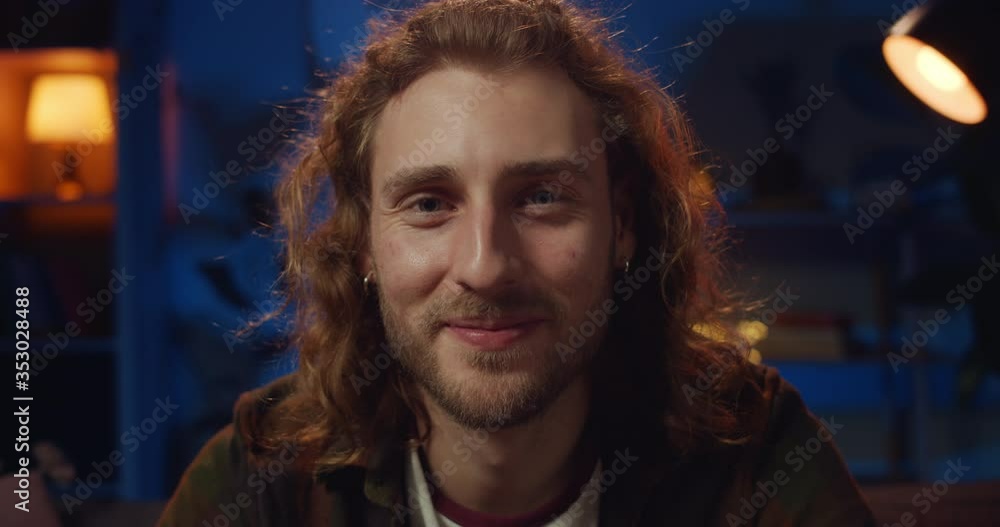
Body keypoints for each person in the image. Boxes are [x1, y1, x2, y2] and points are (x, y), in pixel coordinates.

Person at [158, 0, 876, 525]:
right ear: (363, 243)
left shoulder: (749, 449)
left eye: (541, 197)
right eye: (429, 204)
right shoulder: (268, 476)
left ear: (622, 226)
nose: (486, 266)